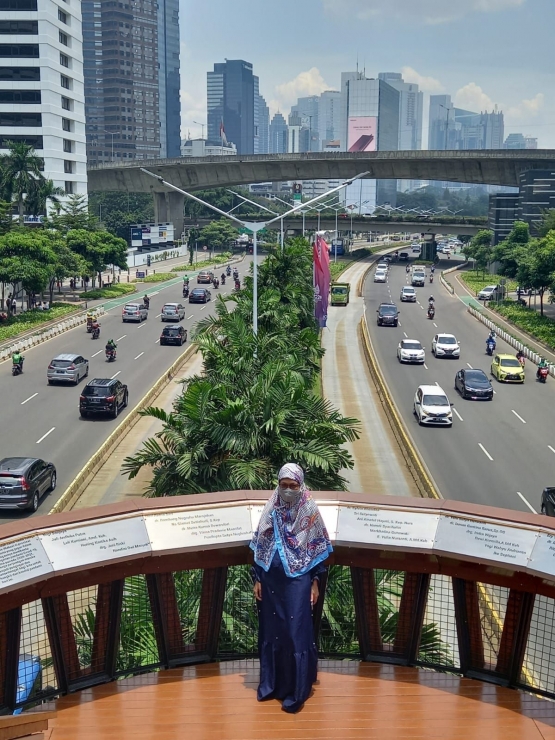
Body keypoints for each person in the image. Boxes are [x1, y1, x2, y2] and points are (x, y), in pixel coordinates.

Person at [251, 463, 333, 714]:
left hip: (298, 582)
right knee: (273, 631)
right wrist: (257, 578)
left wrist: (316, 582)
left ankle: (296, 690)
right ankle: (271, 685)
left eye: (293, 486)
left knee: (295, 632)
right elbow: (260, 545)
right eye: (283, 485)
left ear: (301, 486)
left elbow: (319, 551)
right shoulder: (272, 508)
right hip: (271, 580)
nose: (287, 490)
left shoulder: (309, 510)